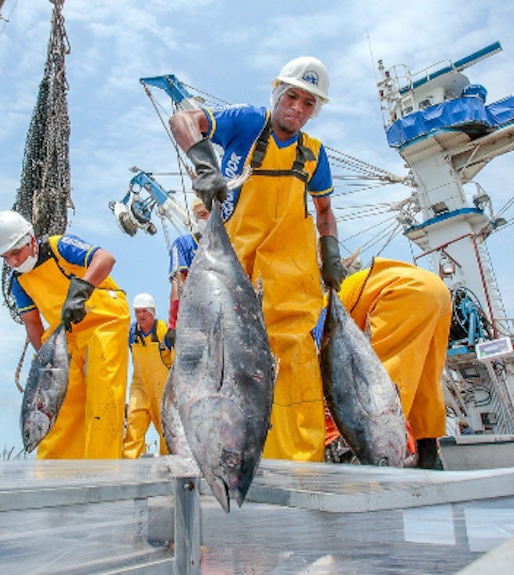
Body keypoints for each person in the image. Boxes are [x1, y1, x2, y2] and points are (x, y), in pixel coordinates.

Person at [169, 56, 348, 462]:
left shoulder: (315, 155)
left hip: (291, 290)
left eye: (308, 104)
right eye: (292, 96)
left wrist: (331, 252)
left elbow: (324, 211)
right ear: (277, 92)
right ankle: (235, 464)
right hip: (236, 283)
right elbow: (183, 120)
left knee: (297, 380)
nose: (298, 108)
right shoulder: (249, 123)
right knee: (234, 378)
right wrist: (203, 165)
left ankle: (303, 473)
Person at [0, 210, 130, 459]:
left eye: (16, 253)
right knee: (59, 405)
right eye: (6, 257)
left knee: (103, 395)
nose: (13, 262)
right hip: (66, 334)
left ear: (30, 240)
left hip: (104, 320)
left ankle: (101, 473)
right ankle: (53, 477)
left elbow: (105, 258)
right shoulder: (17, 282)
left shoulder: (59, 246)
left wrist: (81, 292)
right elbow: (32, 324)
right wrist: (46, 360)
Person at [335, 257, 453, 469]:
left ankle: (363, 463)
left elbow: (343, 386)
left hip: (399, 291)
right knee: (424, 386)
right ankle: (429, 456)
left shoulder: (317, 311)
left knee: (379, 387)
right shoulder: (346, 290)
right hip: (437, 291)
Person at [122, 293, 175, 458]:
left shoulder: (165, 332)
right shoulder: (132, 333)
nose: (141, 315)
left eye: (145, 311)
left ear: (152, 312)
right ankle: (130, 472)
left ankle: (169, 474)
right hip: (141, 390)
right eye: (138, 311)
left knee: (168, 436)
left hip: (164, 393)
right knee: (133, 428)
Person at [167, 197, 210, 343]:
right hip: (196, 321)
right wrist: (174, 325)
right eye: (202, 215)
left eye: (211, 213)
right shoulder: (183, 244)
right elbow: (178, 284)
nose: (207, 218)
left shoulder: (233, 240)